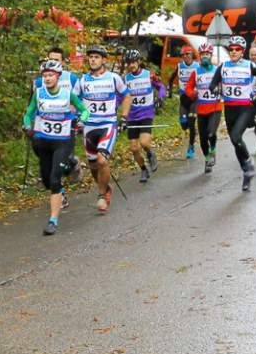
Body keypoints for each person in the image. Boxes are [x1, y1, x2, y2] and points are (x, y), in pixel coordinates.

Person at [22, 60, 89, 235]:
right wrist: (27, 126)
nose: (47, 79)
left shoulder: (67, 94)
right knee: (46, 180)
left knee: (54, 179)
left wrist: (81, 121)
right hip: (43, 142)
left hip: (62, 141)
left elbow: (84, 110)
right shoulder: (39, 93)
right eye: (44, 76)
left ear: (58, 76)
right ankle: (66, 176)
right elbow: (28, 114)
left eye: (50, 75)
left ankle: (53, 221)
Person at [209, 35, 256, 191]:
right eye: (231, 49)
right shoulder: (223, 66)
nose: (233, 52)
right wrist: (217, 89)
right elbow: (212, 84)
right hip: (229, 109)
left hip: (246, 107)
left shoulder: (249, 65)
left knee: (236, 136)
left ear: (242, 52)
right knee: (235, 142)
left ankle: (248, 162)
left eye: (237, 50)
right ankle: (247, 173)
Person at [78, 45, 131, 214]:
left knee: (102, 160)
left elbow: (127, 96)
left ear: (104, 60)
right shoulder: (83, 80)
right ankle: (106, 188)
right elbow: (75, 101)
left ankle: (101, 195)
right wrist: (77, 120)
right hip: (89, 128)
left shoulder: (113, 78)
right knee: (93, 166)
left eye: (96, 57)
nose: (92, 59)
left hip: (107, 125)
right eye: (91, 57)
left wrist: (124, 117)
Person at [122, 49, 164, 183]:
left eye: (133, 62)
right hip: (132, 115)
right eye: (128, 63)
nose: (131, 65)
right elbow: (120, 97)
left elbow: (161, 87)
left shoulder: (149, 75)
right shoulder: (125, 79)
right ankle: (144, 169)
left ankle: (150, 153)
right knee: (134, 148)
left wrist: (160, 98)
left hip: (146, 113)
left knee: (144, 142)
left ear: (139, 62)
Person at [185, 42, 222, 174]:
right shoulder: (196, 72)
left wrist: (220, 90)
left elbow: (224, 84)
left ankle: (213, 150)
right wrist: (192, 93)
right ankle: (207, 160)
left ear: (211, 55)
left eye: (207, 54)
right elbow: (188, 87)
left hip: (215, 107)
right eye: (202, 54)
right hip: (201, 109)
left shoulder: (217, 70)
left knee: (211, 132)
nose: (205, 57)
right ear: (199, 56)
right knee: (202, 138)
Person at [168, 45, 200, 159]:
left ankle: (191, 146)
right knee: (184, 124)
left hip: (194, 99)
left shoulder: (197, 66)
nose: (185, 57)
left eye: (187, 54)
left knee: (191, 123)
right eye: (183, 55)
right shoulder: (180, 66)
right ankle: (189, 128)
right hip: (183, 98)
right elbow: (171, 78)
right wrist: (170, 91)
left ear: (192, 55)